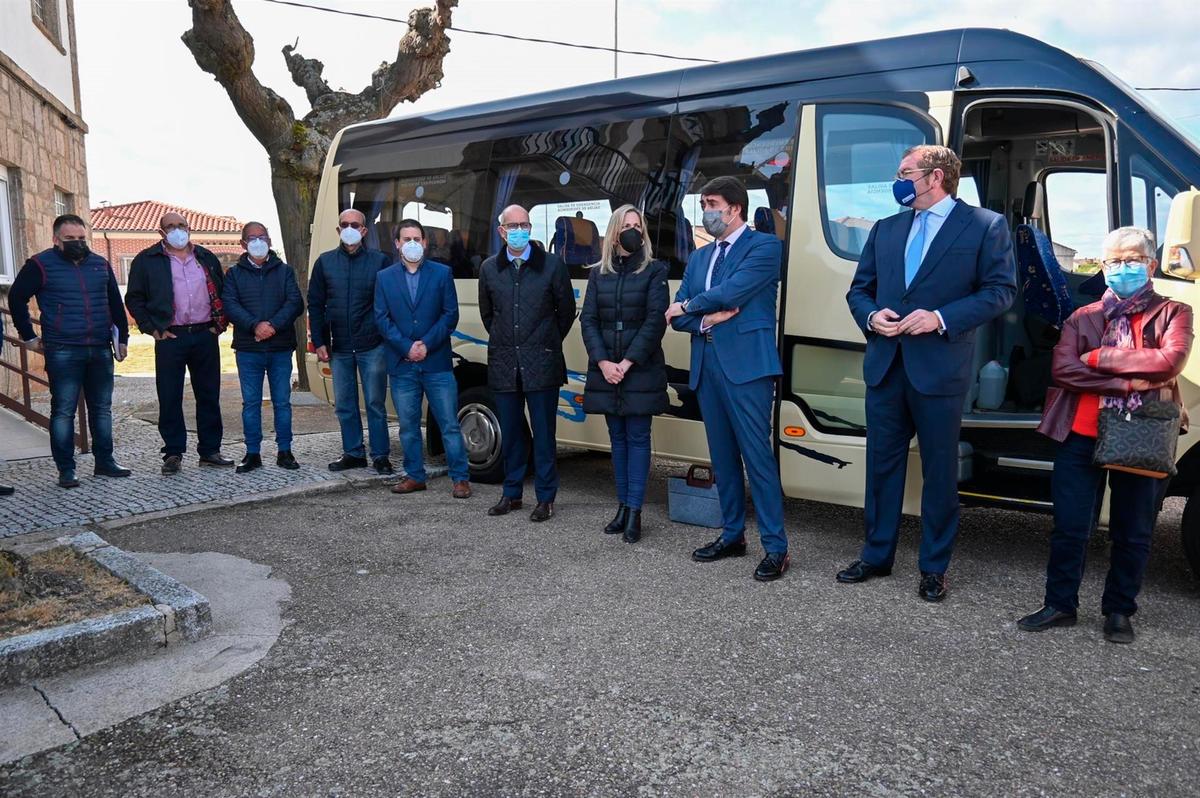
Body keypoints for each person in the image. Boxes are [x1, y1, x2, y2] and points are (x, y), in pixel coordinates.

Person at [842, 144, 1016, 601]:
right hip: (886, 365)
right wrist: (870, 315)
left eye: (904, 172)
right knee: (881, 469)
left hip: (940, 368)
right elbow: (860, 291)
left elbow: (1000, 292)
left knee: (939, 472)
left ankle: (934, 567)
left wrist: (940, 317)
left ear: (935, 176)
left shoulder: (983, 225)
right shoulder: (885, 228)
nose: (897, 180)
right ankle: (876, 555)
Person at [1017, 227, 1193, 644]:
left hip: (1142, 435)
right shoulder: (1083, 317)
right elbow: (1063, 371)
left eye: (1131, 259)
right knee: (1070, 526)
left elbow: (1168, 362)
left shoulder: (1175, 312)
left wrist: (1098, 358)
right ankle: (1060, 604)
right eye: (1112, 261)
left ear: (1150, 264)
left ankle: (1119, 612)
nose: (1121, 268)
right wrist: (1129, 383)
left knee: (1133, 531)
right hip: (1080, 434)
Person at [665, 176, 790, 581]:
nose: (706, 212)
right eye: (703, 204)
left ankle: (776, 547)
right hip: (708, 368)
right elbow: (677, 319)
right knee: (722, 459)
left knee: (758, 459)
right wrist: (702, 320)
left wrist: (690, 305)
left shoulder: (765, 247)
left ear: (735, 207)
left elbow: (733, 292)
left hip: (748, 369)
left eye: (712, 203)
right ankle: (732, 534)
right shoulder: (700, 258)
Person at [8, 214, 130, 488]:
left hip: (100, 347)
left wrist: (122, 338)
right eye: (70, 239)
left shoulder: (100, 264)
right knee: (63, 411)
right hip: (62, 349)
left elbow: (115, 302)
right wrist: (28, 336)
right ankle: (66, 469)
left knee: (101, 408)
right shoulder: (40, 264)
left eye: (81, 238)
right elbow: (16, 297)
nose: (77, 243)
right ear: (55, 239)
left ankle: (105, 462)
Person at [478, 204, 576, 521]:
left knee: (544, 435)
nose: (519, 229)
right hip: (505, 363)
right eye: (513, 225)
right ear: (502, 231)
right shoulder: (489, 269)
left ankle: (545, 498)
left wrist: (545, 341)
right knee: (512, 433)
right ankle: (512, 494)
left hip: (542, 363)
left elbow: (566, 312)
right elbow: (488, 315)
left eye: (525, 224)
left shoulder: (551, 266)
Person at [580, 205, 669, 544]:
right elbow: (588, 321)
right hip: (607, 369)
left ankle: (635, 511)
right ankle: (621, 506)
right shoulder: (598, 273)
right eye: (627, 225)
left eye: (638, 225)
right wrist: (604, 363)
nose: (634, 230)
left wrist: (627, 362)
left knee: (637, 438)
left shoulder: (654, 270)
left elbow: (655, 321)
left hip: (638, 368)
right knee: (616, 441)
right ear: (614, 232)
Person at [125, 212, 234, 475]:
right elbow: (135, 298)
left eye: (181, 226)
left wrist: (218, 325)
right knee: (170, 395)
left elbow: (222, 291)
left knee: (208, 394)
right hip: (170, 336)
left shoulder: (205, 257)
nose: (177, 231)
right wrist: (152, 329)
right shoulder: (147, 260)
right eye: (170, 227)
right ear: (161, 232)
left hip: (204, 334)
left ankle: (210, 450)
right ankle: (173, 452)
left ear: (189, 228)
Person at [375, 219, 472, 498]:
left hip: (436, 363)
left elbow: (450, 315)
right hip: (402, 364)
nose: (412, 244)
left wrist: (426, 344)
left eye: (417, 238)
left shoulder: (442, 274)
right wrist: (407, 347)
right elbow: (382, 319)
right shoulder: (385, 278)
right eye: (407, 239)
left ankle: (460, 479)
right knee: (408, 426)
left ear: (426, 243)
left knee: (449, 425)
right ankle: (415, 476)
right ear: (397, 244)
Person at [308, 208, 394, 475]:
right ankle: (353, 453)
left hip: (372, 345)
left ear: (364, 231)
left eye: (355, 225)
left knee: (375, 404)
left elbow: (388, 303)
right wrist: (320, 341)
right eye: (344, 224)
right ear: (338, 230)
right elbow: (316, 303)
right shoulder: (325, 262)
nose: (349, 228)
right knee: (345, 404)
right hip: (339, 347)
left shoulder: (380, 261)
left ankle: (380, 456)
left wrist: (385, 337)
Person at [221, 222, 304, 473]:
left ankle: (285, 451)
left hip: (280, 347)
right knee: (251, 403)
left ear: (269, 240)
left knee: (282, 402)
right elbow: (230, 304)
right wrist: (255, 325)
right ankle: (252, 453)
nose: (258, 241)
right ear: (243, 244)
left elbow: (295, 303)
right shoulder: (234, 274)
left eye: (262, 237)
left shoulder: (285, 271)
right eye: (252, 238)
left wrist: (272, 326)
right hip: (249, 349)